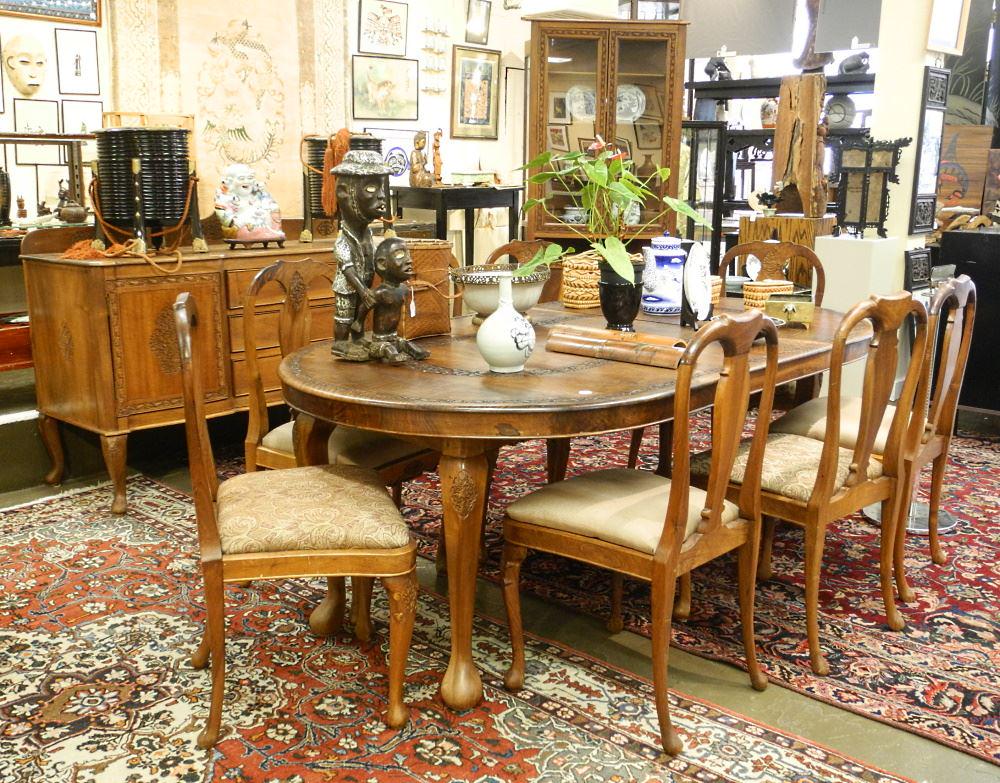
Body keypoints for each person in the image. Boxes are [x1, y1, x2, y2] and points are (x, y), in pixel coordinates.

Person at [330, 147, 391, 359]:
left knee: (359, 314)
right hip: (348, 286)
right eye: (372, 188)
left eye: (381, 187)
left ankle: (357, 339)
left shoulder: (367, 234)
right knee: (345, 314)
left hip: (363, 284)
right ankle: (340, 343)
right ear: (345, 193)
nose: (382, 196)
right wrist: (363, 290)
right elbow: (346, 268)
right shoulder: (343, 238)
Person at [351, 237, 430, 364]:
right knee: (387, 349)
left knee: (404, 343)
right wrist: (358, 322)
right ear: (382, 264)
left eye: (408, 254)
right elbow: (365, 306)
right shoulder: (380, 293)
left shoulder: (404, 289)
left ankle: (416, 353)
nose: (409, 260)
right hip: (380, 341)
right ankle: (393, 356)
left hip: (394, 337)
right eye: (400, 255)